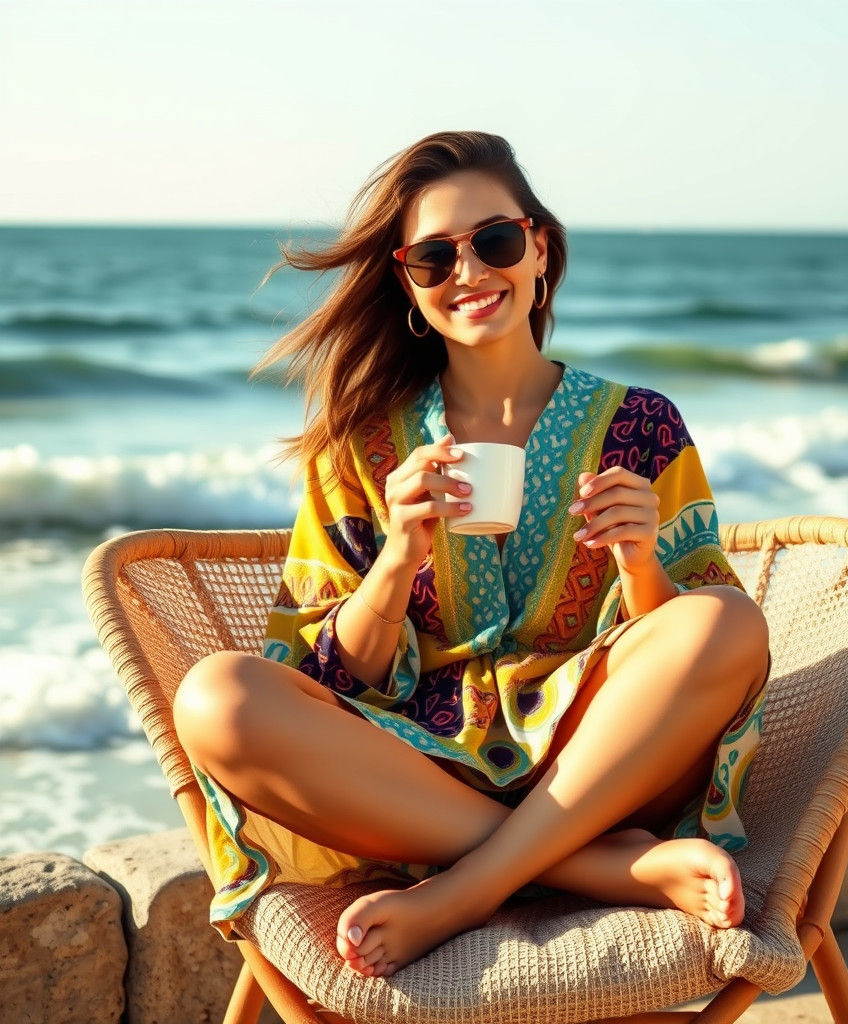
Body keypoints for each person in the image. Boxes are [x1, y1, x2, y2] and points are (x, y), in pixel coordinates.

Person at [172, 130, 771, 982]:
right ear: (409, 287)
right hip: (414, 776)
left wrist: (642, 565)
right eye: (432, 258)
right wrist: (397, 556)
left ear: (539, 251)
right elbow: (325, 678)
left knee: (724, 618)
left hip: (602, 759)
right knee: (215, 699)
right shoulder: (359, 449)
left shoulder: (640, 426)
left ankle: (459, 893)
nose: (469, 272)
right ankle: (594, 867)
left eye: (493, 241)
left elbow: (702, 666)